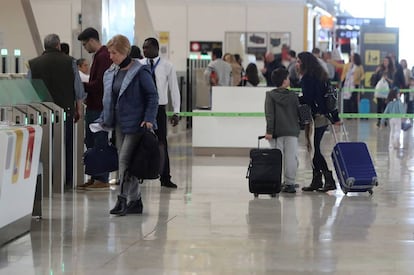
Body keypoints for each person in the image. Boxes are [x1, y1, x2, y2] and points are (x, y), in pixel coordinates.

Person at [96, 34, 158, 215]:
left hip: (136, 124)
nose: (111, 56)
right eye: (110, 52)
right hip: (119, 123)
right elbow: (109, 98)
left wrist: (149, 118)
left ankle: (122, 199)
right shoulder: (113, 72)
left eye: (114, 53)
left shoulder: (140, 71)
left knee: (123, 160)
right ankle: (136, 200)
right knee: (128, 163)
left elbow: (152, 96)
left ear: (124, 52)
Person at [28, 33, 85, 188]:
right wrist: (78, 108)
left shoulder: (33, 63)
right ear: (58, 45)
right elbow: (78, 88)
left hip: (41, 112)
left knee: (43, 144)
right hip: (65, 110)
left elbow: (30, 89)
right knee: (66, 145)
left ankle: (44, 179)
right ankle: (66, 179)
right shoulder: (70, 62)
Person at [142, 37, 181, 188]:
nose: (145, 50)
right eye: (143, 48)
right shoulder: (139, 65)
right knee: (140, 142)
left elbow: (174, 89)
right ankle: (140, 173)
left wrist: (176, 111)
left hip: (159, 109)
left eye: (147, 48)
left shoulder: (167, 66)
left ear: (156, 49)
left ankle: (165, 177)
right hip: (143, 109)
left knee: (161, 143)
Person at [77, 27, 112, 190]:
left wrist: (82, 85)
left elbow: (100, 84)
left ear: (92, 40)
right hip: (93, 106)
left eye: (85, 44)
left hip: (99, 108)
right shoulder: (98, 56)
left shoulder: (104, 56)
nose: (85, 48)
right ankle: (94, 176)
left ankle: (102, 178)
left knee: (99, 142)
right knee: (91, 142)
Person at [297, 51, 337, 193]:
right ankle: (317, 180)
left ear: (305, 63)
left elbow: (308, 99)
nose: (297, 64)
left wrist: (296, 98)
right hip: (324, 116)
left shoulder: (308, 78)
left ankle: (328, 179)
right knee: (314, 148)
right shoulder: (322, 75)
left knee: (314, 149)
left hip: (315, 117)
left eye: (299, 61)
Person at [264, 67, 300, 193]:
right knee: (291, 157)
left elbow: (270, 115)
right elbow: (298, 113)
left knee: (277, 158)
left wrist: (269, 131)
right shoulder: (294, 96)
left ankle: (276, 181)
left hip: (276, 133)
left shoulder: (270, 95)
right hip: (292, 132)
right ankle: (290, 183)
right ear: (285, 81)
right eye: (288, 78)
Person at [371, 56, 395, 127]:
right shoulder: (380, 70)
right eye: (384, 61)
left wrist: (387, 79)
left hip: (388, 91)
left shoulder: (392, 71)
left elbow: (393, 81)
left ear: (389, 62)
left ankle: (385, 120)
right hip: (380, 90)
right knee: (379, 105)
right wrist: (376, 72)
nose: (385, 62)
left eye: (386, 61)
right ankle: (379, 120)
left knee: (386, 105)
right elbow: (374, 80)